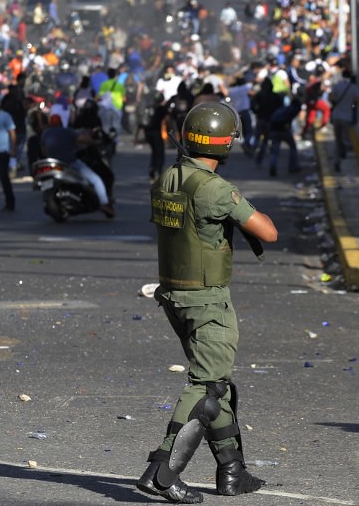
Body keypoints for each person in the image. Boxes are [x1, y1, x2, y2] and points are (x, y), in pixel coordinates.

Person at [139, 102, 277, 503]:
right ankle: (161, 472)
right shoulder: (214, 188)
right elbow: (267, 231)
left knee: (220, 387)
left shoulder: (169, 177)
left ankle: (232, 471)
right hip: (206, 300)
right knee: (207, 387)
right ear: (224, 144)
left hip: (175, 295)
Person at [40, 114, 114, 218]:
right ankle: (104, 203)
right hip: (69, 163)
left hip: (53, 164)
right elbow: (84, 140)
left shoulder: (45, 134)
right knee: (96, 179)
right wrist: (95, 142)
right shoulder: (67, 131)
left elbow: (44, 150)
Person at [328, 68, 359, 172]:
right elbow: (358, 101)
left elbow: (331, 97)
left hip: (336, 116)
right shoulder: (353, 88)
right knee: (345, 138)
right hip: (347, 117)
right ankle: (343, 151)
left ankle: (337, 160)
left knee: (338, 140)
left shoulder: (338, 86)